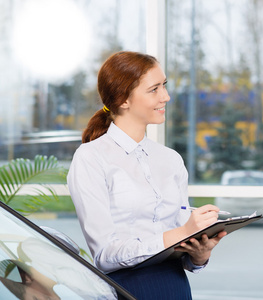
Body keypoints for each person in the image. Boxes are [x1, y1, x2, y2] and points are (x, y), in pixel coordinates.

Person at [67, 51, 226, 299]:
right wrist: (181, 233)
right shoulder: (91, 158)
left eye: (164, 85)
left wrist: (199, 254)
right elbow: (105, 256)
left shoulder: (171, 159)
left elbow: (181, 250)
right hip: (127, 291)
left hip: (176, 288)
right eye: (154, 89)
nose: (166, 96)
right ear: (123, 99)